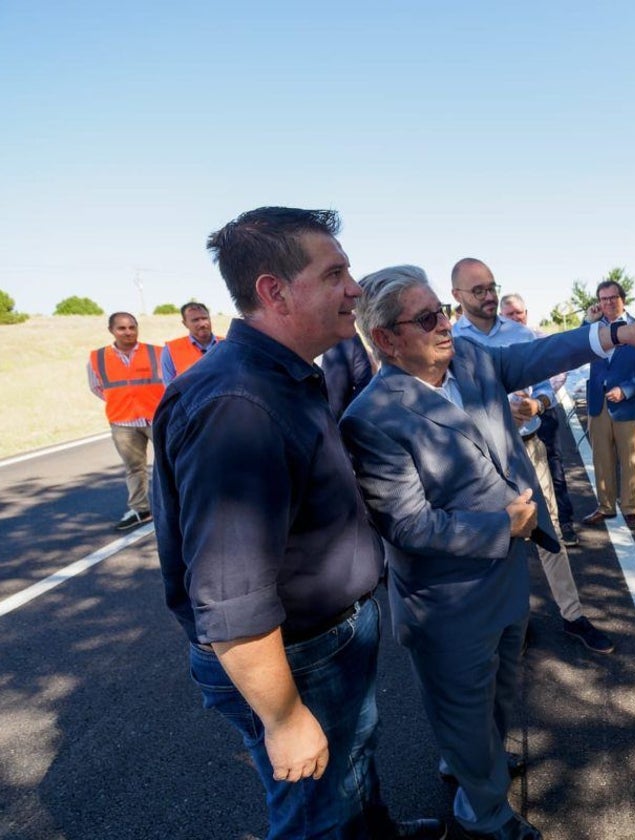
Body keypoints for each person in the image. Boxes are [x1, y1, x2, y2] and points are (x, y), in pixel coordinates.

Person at [339, 265, 635, 840]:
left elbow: (541, 355)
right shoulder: (371, 418)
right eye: (426, 318)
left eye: (441, 311)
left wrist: (617, 333)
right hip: (447, 596)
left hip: (503, 574)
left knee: (495, 691)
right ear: (387, 340)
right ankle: (485, 815)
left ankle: (473, 763)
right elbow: (408, 523)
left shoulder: (470, 360)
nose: (445, 324)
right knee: (463, 703)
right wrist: (502, 525)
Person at [152, 208, 442, 840]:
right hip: (297, 655)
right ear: (273, 291)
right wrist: (284, 719)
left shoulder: (281, 374)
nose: (355, 289)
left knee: (352, 765)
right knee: (316, 813)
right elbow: (232, 596)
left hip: (328, 639)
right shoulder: (239, 404)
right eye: (335, 273)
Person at [452, 264, 610, 654]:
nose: (489, 297)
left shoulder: (522, 335)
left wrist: (537, 404)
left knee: (550, 529)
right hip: (483, 457)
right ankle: (512, 623)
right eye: (478, 291)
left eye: (492, 288)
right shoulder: (452, 341)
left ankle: (572, 616)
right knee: (499, 536)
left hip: (529, 445)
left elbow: (546, 387)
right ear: (457, 296)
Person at [581, 279, 635, 531]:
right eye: (602, 299)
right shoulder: (593, 329)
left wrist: (626, 390)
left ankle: (630, 508)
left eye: (612, 298)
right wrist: (586, 321)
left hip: (628, 405)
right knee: (601, 458)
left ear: (622, 299)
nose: (607, 303)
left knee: (629, 460)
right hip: (598, 404)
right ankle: (605, 507)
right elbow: (576, 349)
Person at [500, 292, 579, 547]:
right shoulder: (497, 346)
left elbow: (558, 374)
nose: (515, 318)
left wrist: (538, 401)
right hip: (508, 429)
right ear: (502, 316)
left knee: (555, 471)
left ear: (526, 314)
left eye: (518, 313)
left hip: (542, 416)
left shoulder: (539, 337)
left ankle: (563, 524)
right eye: (509, 314)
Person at [88, 312, 165, 531]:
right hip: (123, 422)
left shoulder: (156, 352)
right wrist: (121, 400)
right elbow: (96, 387)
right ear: (111, 330)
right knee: (134, 468)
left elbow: (169, 379)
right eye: (122, 328)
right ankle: (141, 510)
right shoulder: (98, 357)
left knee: (171, 463)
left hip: (156, 417)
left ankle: (178, 506)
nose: (128, 332)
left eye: (132, 327)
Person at [161, 301, 222, 384]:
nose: (202, 324)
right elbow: (169, 387)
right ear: (185, 323)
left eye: (204, 318)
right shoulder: (171, 349)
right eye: (195, 320)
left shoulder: (228, 345)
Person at [322, 332, 376, 419]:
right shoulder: (294, 342)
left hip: (341, 426)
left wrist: (346, 419)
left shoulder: (348, 340)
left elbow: (365, 384)